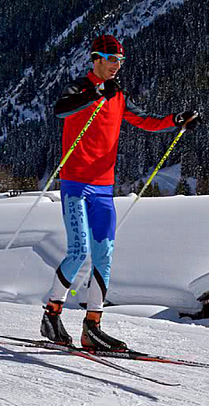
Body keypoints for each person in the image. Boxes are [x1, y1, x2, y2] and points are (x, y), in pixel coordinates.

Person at [40, 34, 200, 351]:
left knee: (104, 255)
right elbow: (61, 110)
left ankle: (92, 327)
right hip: (75, 184)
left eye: (119, 61)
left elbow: (145, 121)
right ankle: (52, 313)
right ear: (95, 59)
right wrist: (97, 93)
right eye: (111, 60)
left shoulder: (118, 95)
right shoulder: (80, 88)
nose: (116, 66)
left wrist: (176, 120)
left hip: (103, 188)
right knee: (78, 251)